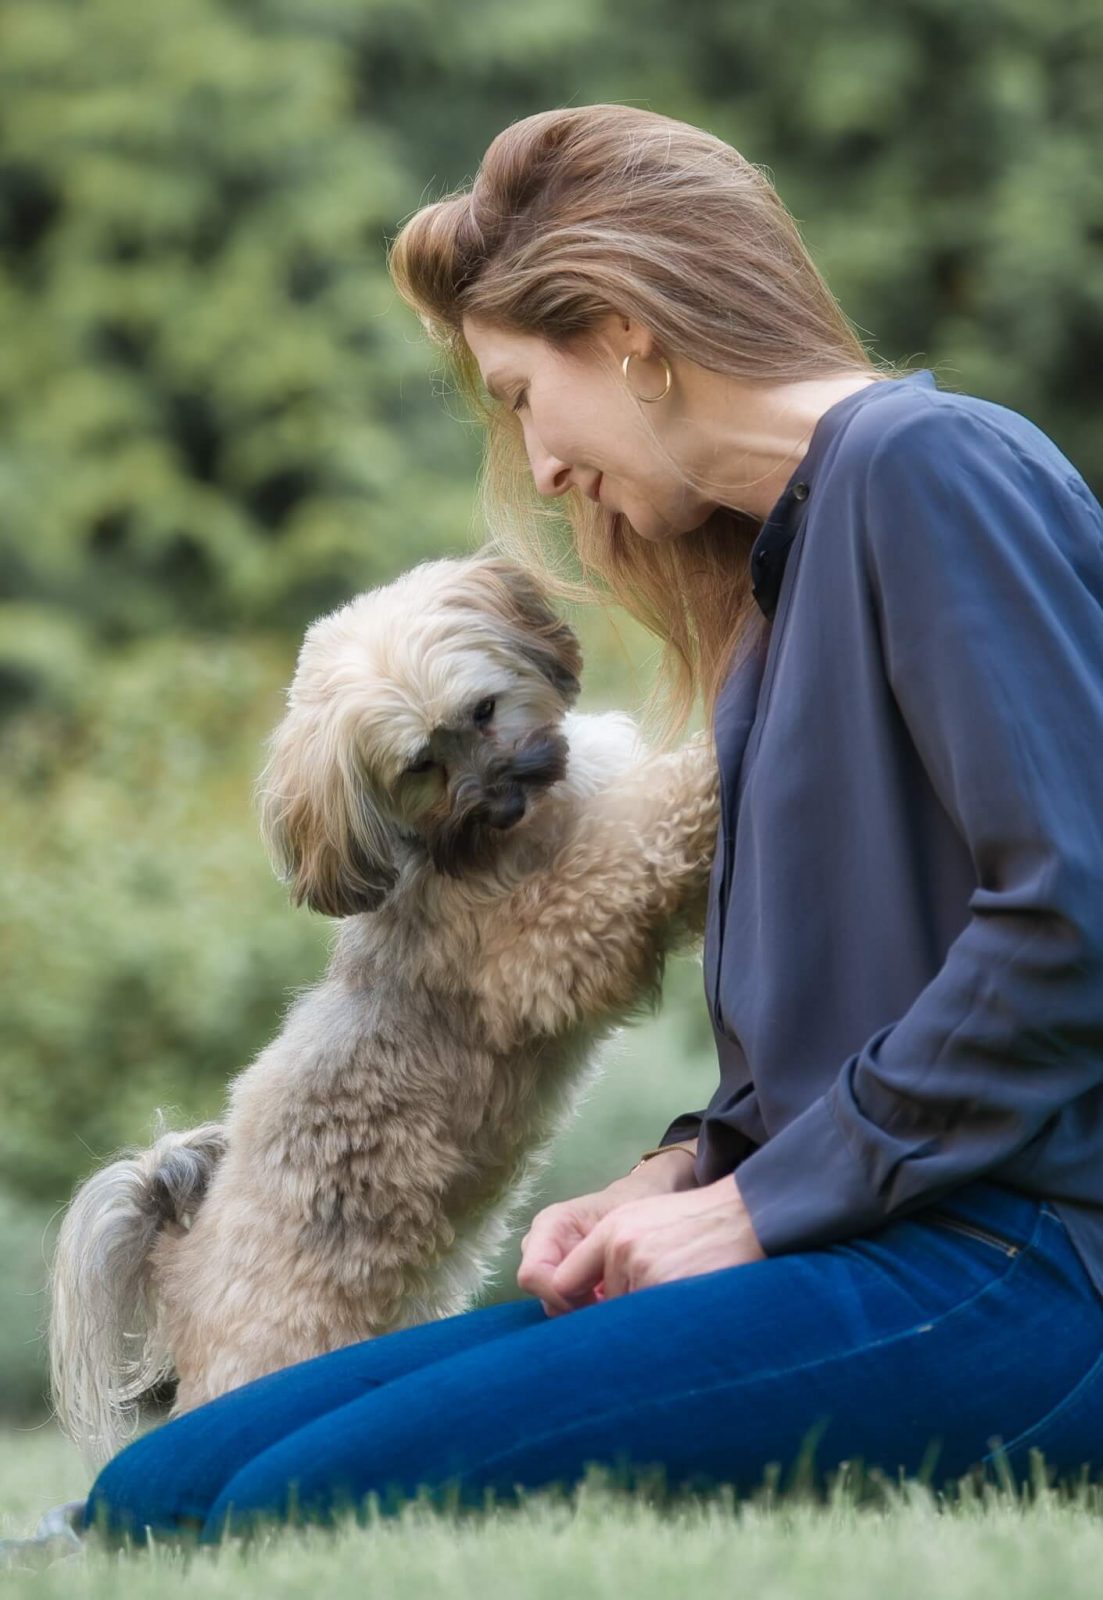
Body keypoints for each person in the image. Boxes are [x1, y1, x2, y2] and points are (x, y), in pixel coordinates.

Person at [81, 103, 1103, 1546]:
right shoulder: (784, 575)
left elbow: (1076, 915)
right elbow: (857, 1004)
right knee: (158, 1489)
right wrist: (691, 1166)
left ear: (624, 329)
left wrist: (756, 1210)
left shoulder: (926, 467)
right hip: (870, 1230)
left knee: (281, 1505)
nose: (540, 466)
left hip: (1021, 1266)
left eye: (515, 392)